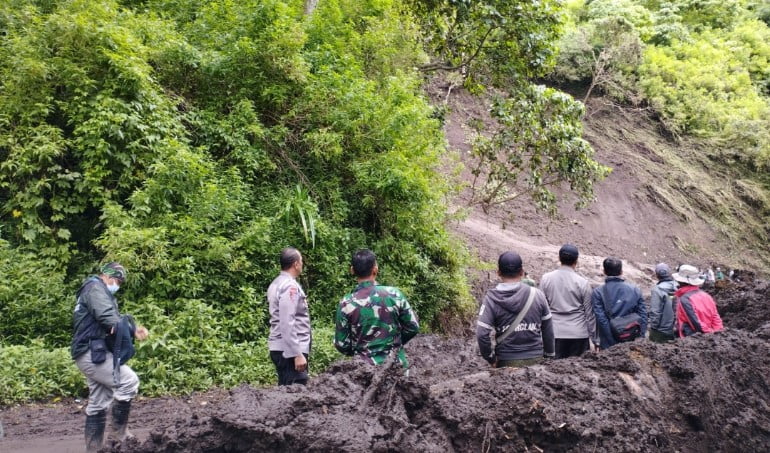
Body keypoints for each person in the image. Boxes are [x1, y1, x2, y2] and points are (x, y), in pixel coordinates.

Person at [71, 262, 149, 452]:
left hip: (94, 352)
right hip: (90, 353)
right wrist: (126, 328)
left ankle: (95, 449)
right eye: (116, 281)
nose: (117, 285)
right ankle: (118, 436)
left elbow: (110, 320)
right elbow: (107, 318)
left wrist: (131, 329)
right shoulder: (94, 288)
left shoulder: (98, 291)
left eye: (120, 282)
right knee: (129, 381)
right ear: (106, 276)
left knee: (99, 401)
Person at [335, 249, 420, 367]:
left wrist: (358, 351)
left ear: (352, 270)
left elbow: (342, 344)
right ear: (375, 269)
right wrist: (396, 343)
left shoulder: (346, 303)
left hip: (363, 370)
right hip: (395, 365)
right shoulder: (394, 294)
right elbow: (413, 327)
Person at [477, 251, 555, 368]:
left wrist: (491, 358)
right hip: (535, 359)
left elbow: (482, 333)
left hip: (506, 361)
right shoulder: (537, 295)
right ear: (522, 272)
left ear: (498, 273)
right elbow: (548, 329)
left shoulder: (491, 299)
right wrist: (549, 355)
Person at [539, 244, 598, 358]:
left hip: (554, 332)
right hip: (578, 334)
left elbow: (541, 308)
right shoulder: (582, 283)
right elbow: (589, 314)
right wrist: (595, 339)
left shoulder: (546, 279)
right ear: (576, 261)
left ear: (559, 258)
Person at [267, 247, 311, 386]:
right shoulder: (289, 286)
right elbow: (287, 321)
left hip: (282, 348)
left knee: (285, 392)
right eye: (301, 261)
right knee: (296, 394)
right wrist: (297, 354)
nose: (302, 264)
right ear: (296, 264)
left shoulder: (276, 283)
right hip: (289, 351)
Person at [592, 257, 647, 349]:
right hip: (632, 338)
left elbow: (601, 320)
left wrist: (612, 341)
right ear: (621, 272)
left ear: (604, 271)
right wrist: (641, 336)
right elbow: (643, 315)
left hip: (608, 342)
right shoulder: (635, 290)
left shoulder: (598, 292)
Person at [672, 264, 724, 337]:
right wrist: (717, 333)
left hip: (693, 339)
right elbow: (715, 317)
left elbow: (695, 323)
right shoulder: (707, 296)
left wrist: (709, 334)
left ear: (681, 282)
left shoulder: (684, 299)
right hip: (710, 336)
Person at [648, 263, 678, 343]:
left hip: (661, 331)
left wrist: (653, 328)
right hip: (676, 329)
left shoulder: (657, 290)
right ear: (670, 273)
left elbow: (655, 312)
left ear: (657, 275)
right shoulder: (678, 286)